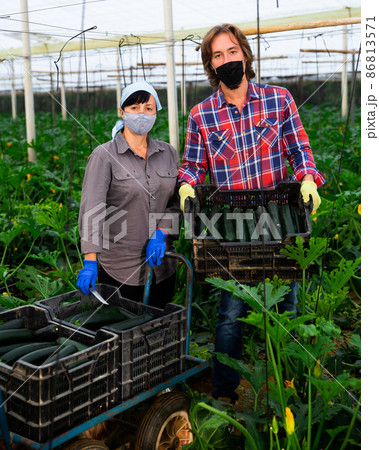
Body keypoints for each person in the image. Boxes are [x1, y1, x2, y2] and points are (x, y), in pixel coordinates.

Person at [178, 24, 325, 404]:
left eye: (231, 51)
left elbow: (299, 149)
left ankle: (288, 386)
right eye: (217, 55)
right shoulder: (202, 115)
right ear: (211, 65)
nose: (227, 60)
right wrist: (186, 185)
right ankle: (224, 394)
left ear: (245, 53)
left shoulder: (278, 100)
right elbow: (193, 165)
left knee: (287, 305)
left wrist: (307, 178)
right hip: (235, 224)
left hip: (280, 218)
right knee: (231, 312)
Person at [76, 80, 181, 308]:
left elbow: (176, 201)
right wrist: (90, 260)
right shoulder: (104, 155)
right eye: (134, 108)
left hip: (162, 267)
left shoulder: (168, 153)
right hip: (119, 269)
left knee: (159, 330)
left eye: (148, 108)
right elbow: (92, 208)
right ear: (122, 112)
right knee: (124, 334)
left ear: (156, 113)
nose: (141, 114)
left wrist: (162, 232)